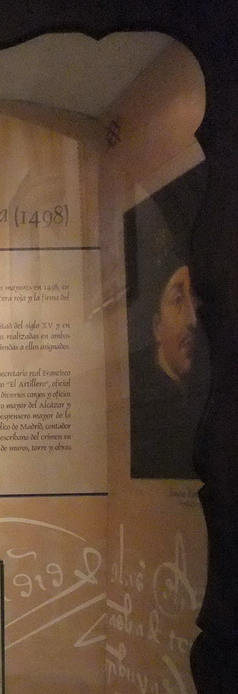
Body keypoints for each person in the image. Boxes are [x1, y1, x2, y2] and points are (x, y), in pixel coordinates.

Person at [126, 165, 209, 479]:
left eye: (194, 300)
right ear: (156, 326)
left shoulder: (200, 390)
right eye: (177, 299)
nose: (192, 318)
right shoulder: (147, 412)